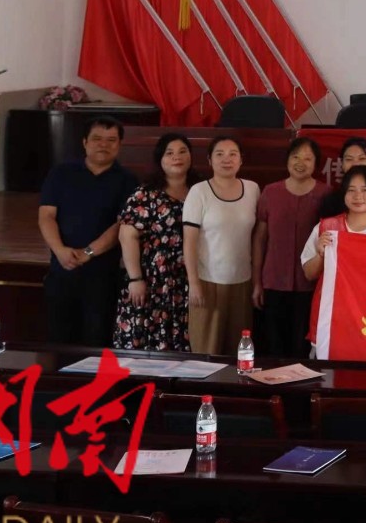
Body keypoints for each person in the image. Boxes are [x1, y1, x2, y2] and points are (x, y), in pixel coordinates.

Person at [39, 117, 139, 347]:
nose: (103, 144)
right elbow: (46, 216)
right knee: (59, 340)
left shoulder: (128, 180)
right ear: (85, 142)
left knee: (96, 342)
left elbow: (121, 225)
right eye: (97, 139)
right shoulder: (61, 173)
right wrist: (60, 250)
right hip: (62, 269)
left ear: (119, 145)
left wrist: (89, 253)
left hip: (103, 276)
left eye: (111, 140)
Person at [113, 133, 197, 352]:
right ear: (160, 159)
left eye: (182, 152)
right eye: (170, 153)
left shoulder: (200, 191)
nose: (177, 157)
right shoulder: (145, 194)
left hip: (188, 278)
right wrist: (135, 278)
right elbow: (126, 236)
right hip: (152, 279)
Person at [250, 136, 329, 357]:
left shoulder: (326, 194)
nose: (300, 163)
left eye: (307, 158)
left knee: (302, 347)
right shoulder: (270, 192)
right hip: (273, 281)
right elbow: (260, 239)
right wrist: (257, 283)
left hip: (310, 285)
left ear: (316, 164)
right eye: (295, 157)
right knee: (274, 346)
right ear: (287, 160)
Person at [302, 165, 366, 358]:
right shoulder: (327, 227)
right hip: (333, 315)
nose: (358, 196)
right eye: (352, 190)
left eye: (365, 190)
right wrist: (321, 254)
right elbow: (309, 273)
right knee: (327, 369)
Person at [182, 136, 260, 356]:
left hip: (242, 282)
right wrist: (193, 283)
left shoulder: (253, 189)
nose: (227, 159)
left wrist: (256, 282)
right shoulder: (199, 191)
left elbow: (257, 238)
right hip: (207, 282)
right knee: (207, 350)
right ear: (209, 160)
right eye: (220, 154)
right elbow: (189, 241)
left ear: (241, 160)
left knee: (238, 352)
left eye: (233, 154)